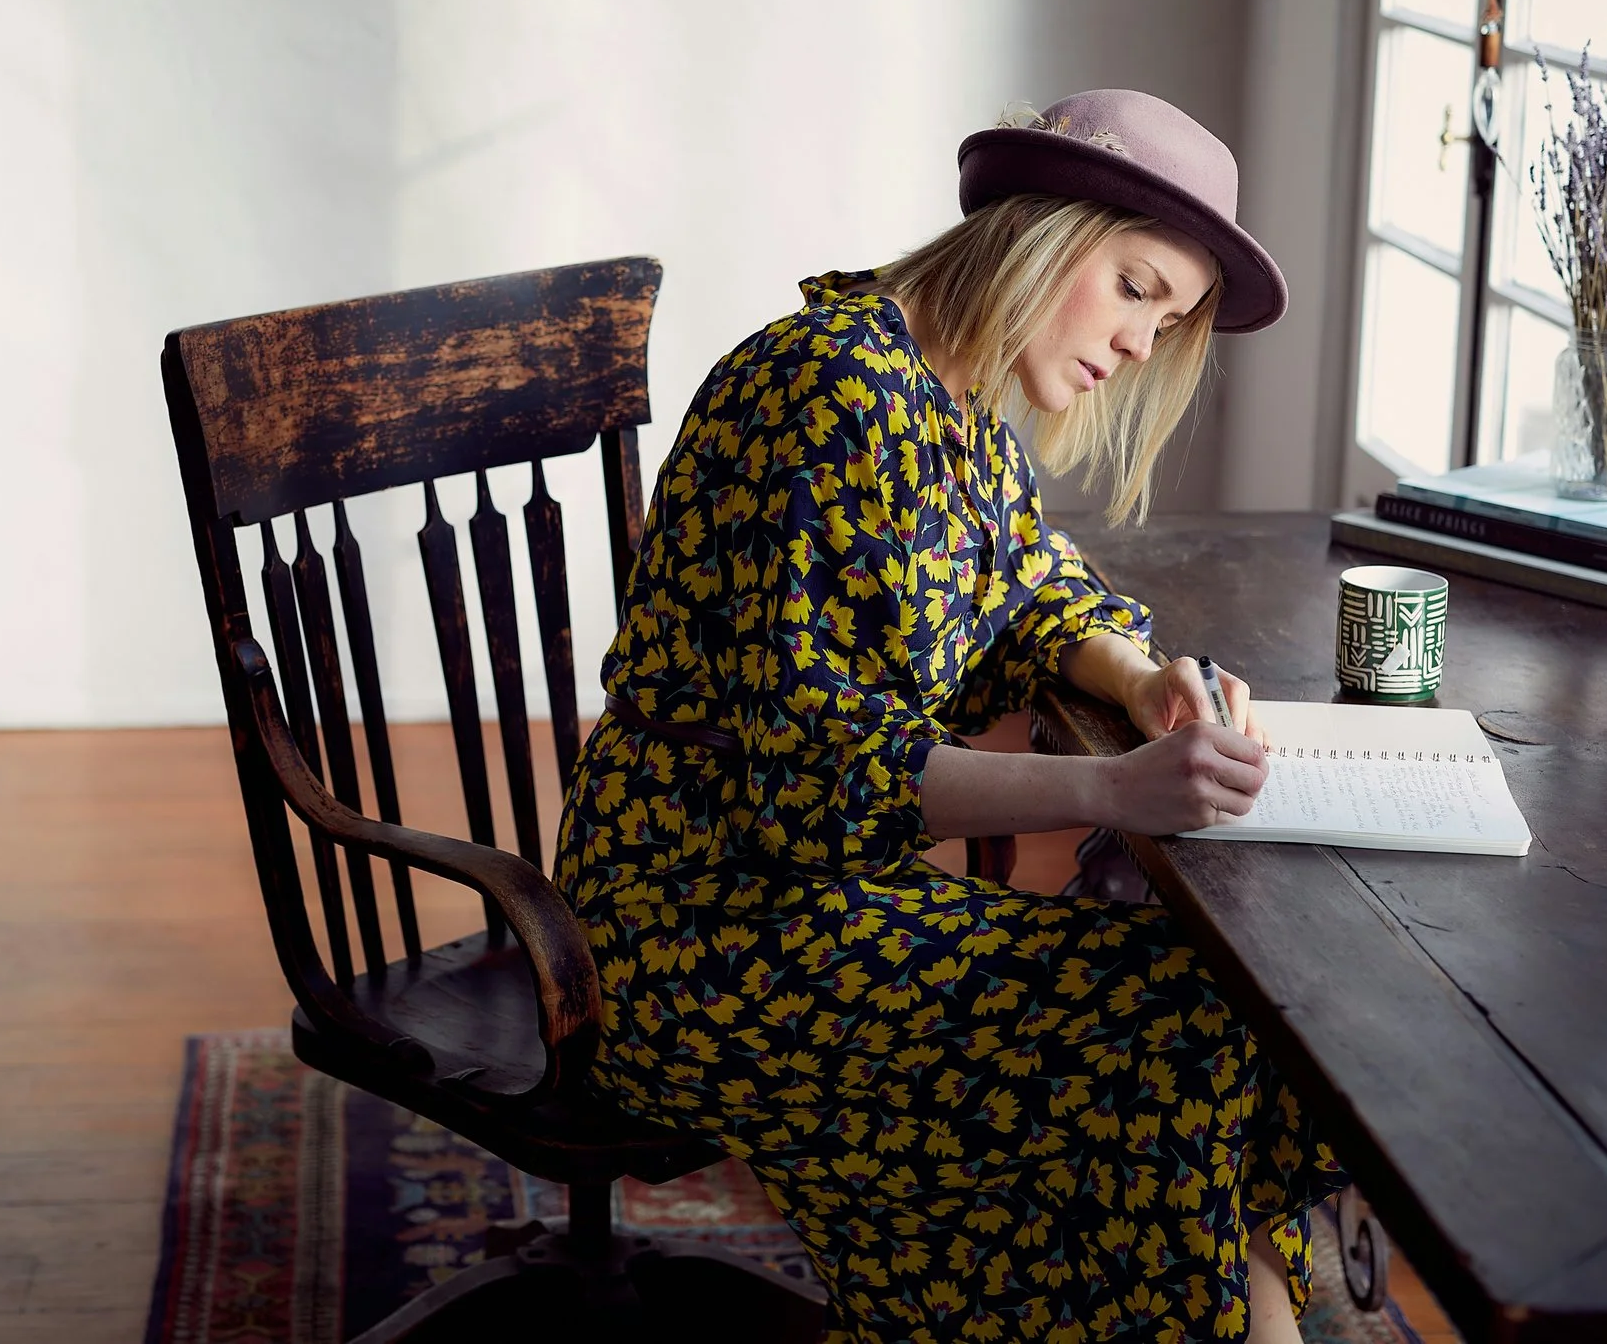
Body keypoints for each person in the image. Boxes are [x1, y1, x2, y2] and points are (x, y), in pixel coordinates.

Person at [551, 89, 1346, 1343]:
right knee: (1163, 1033)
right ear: (1042, 229)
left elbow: (1026, 579)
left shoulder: (952, 394)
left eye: (1172, 317)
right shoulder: (830, 394)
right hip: (700, 923)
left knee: (1216, 1015)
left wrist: (1136, 676)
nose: (1145, 343)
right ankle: (1197, 1312)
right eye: (1137, 286)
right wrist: (1110, 790)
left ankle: (1218, 1312)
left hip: (818, 898)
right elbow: (817, 779)